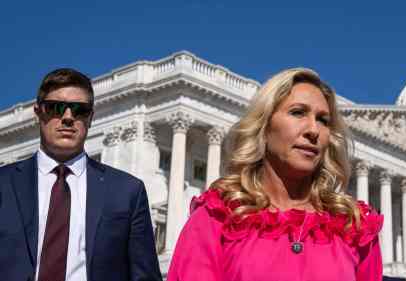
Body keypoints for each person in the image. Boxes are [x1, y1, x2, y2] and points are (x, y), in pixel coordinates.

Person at [167, 68, 383, 281]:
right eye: (298, 112)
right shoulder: (217, 218)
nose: (313, 130)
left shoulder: (354, 227)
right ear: (264, 126)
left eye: (323, 120)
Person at [0, 68, 162, 281]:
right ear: (38, 113)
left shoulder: (127, 191)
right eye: (55, 108)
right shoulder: (4, 183)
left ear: (91, 118)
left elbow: (145, 275)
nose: (68, 118)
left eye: (80, 110)